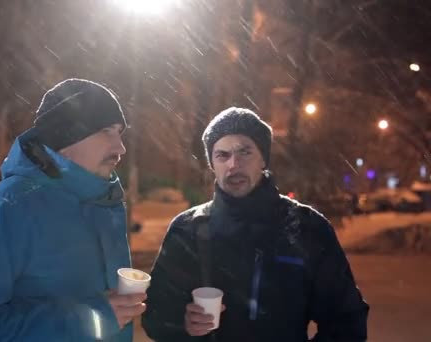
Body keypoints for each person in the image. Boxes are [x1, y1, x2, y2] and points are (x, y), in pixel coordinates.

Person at [0, 79, 146, 341]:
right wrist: (91, 319)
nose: (121, 147)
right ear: (67, 137)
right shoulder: (8, 207)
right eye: (106, 131)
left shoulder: (105, 203)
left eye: (120, 132)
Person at [142, 107, 369, 341]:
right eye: (222, 155)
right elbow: (155, 316)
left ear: (263, 159)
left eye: (245, 152)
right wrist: (182, 323)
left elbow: (347, 320)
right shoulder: (187, 229)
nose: (233, 164)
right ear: (212, 164)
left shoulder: (305, 227)